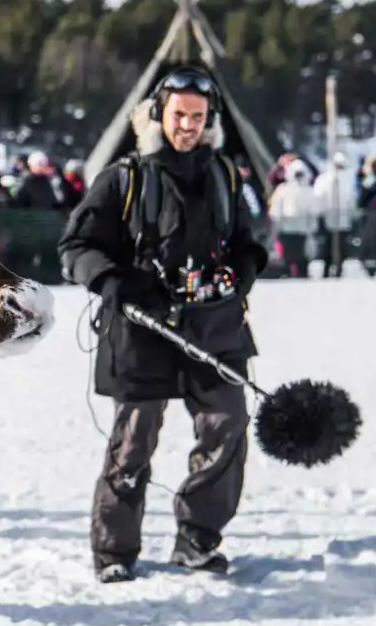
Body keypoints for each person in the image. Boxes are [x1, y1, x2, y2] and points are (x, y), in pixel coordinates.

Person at [57, 65, 269, 583]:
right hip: (140, 330)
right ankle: (114, 550)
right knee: (133, 441)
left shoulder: (225, 175)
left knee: (227, 425)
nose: (188, 126)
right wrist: (115, 282)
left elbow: (248, 240)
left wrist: (244, 269)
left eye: (198, 117)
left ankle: (197, 537)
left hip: (214, 325)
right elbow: (75, 247)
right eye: (179, 116)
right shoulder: (124, 178)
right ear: (158, 114)